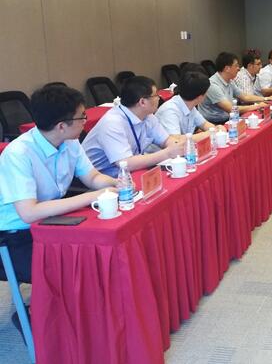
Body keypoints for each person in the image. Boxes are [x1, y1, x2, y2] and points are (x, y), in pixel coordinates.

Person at [0, 85, 117, 284]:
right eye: (82, 117)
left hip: (52, 220)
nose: (85, 121)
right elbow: (29, 213)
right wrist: (93, 196)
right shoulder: (18, 154)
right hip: (18, 235)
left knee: (99, 253)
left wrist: (117, 183)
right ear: (61, 126)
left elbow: (92, 177)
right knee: (74, 269)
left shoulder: (70, 141)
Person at [83, 76, 185, 176]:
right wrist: (168, 153)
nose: (159, 98)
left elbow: (165, 140)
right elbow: (126, 164)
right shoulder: (112, 123)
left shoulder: (148, 116)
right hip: (100, 177)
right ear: (142, 102)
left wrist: (175, 146)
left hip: (127, 173)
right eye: (156, 96)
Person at [198, 52, 268, 123]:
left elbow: (245, 96)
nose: (239, 69)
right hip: (213, 123)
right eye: (236, 66)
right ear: (227, 68)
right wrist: (257, 106)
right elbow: (230, 108)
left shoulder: (230, 80)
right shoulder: (213, 85)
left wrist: (266, 99)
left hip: (228, 119)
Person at [156, 71, 225, 141]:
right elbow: (176, 140)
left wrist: (217, 129)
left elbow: (204, 124)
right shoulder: (169, 110)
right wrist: (210, 133)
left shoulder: (189, 104)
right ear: (200, 97)